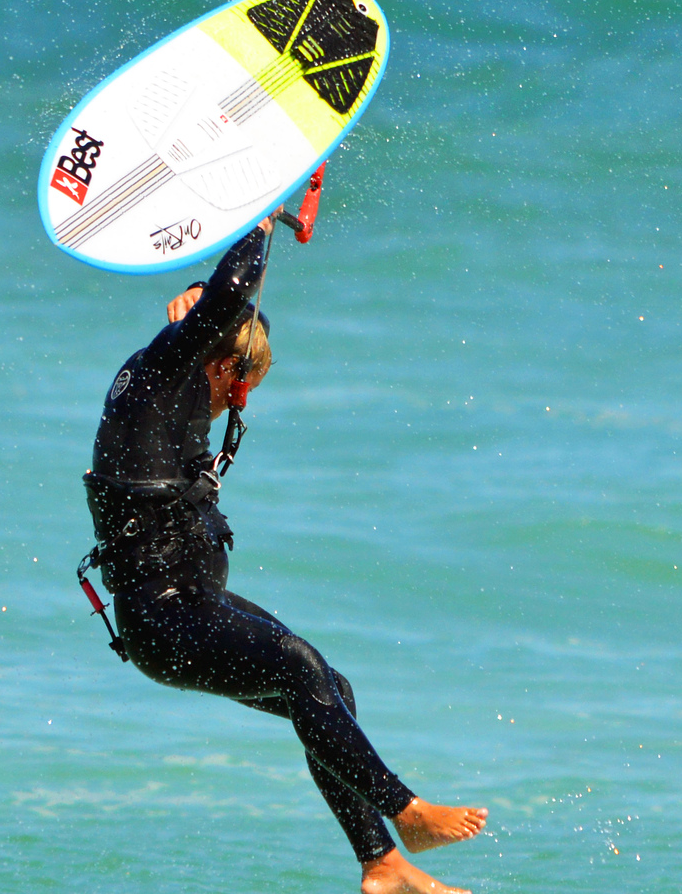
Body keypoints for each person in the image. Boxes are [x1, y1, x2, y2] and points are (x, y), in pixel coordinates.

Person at [83, 218, 487, 894]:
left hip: (191, 605)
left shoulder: (169, 372)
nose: (230, 408)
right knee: (298, 665)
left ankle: (382, 864)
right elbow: (235, 289)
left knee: (329, 687)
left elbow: (235, 307)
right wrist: (260, 219)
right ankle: (407, 812)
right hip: (163, 619)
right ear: (223, 369)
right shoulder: (165, 377)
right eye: (238, 392)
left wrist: (203, 289)